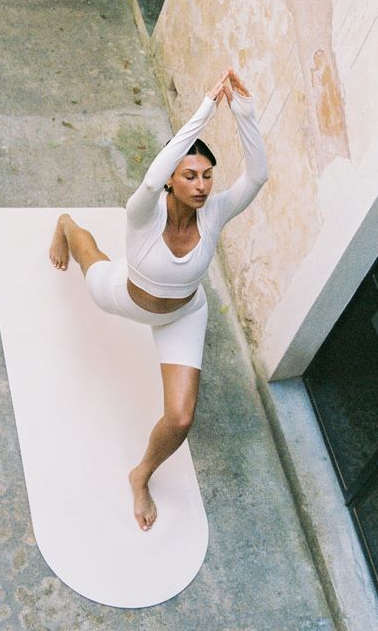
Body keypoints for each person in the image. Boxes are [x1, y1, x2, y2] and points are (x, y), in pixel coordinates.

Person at [48, 68, 268, 530]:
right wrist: (206, 110)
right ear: (172, 179)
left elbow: (258, 176)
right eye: (190, 175)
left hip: (185, 314)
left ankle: (141, 474)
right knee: (92, 260)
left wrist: (243, 112)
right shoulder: (143, 211)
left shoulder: (216, 213)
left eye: (208, 176)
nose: (203, 185)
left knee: (181, 417)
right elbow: (149, 180)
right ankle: (66, 225)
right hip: (126, 298)